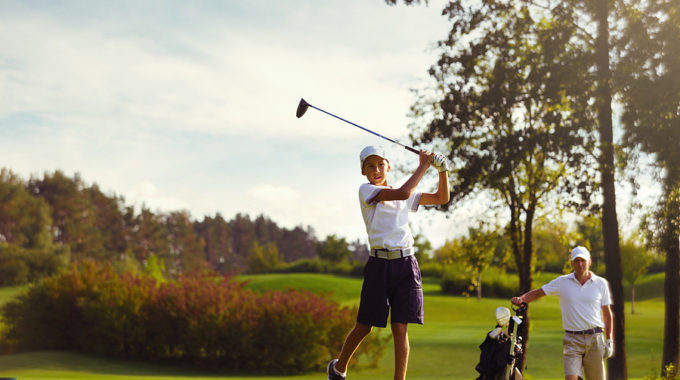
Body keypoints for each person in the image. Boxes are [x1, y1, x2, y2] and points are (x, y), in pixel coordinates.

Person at [327, 145, 450, 380]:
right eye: (370, 166)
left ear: (388, 167)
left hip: (406, 265)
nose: (376, 169)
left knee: (400, 328)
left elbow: (441, 198)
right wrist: (424, 164)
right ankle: (339, 368)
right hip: (379, 266)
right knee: (365, 325)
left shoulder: (404, 192)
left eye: (380, 164)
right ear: (363, 171)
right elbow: (403, 193)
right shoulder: (367, 191)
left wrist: (442, 171)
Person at [510, 246, 614, 380]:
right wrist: (522, 299)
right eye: (576, 261)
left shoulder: (601, 283)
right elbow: (539, 292)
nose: (580, 264)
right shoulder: (562, 282)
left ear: (589, 262)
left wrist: (610, 340)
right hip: (572, 340)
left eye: (583, 260)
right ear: (571, 263)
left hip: (595, 338)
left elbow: (607, 313)